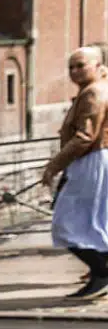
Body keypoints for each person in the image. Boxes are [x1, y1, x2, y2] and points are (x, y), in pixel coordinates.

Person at [43, 46, 108, 298]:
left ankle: (101, 272)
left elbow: (85, 136)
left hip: (91, 160)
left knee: (66, 224)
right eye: (71, 67)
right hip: (94, 159)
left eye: (81, 65)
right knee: (96, 221)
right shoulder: (96, 88)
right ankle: (99, 270)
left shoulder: (93, 92)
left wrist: (54, 166)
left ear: (97, 66)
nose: (75, 71)